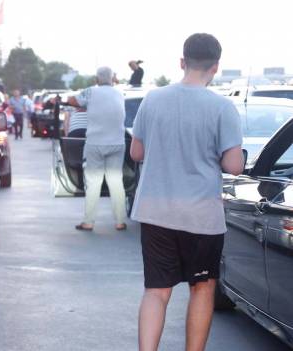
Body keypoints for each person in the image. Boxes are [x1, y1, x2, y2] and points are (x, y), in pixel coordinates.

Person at [129, 33, 243, 351]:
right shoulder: (223, 108)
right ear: (216, 67)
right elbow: (234, 166)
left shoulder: (152, 99)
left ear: (182, 62)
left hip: (155, 211)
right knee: (202, 287)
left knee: (156, 290)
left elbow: (136, 153)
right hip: (201, 215)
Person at [66, 66, 127, 231]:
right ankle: (120, 221)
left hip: (96, 143)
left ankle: (89, 222)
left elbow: (72, 101)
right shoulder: (120, 93)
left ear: (97, 79)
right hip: (117, 143)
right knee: (116, 182)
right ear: (113, 78)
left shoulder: (91, 91)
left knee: (93, 182)